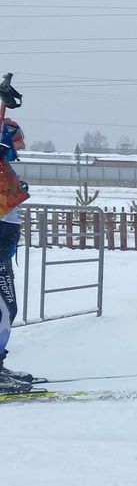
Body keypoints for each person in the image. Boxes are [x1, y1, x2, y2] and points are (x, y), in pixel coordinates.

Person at [0, 117, 33, 392]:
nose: (18, 148)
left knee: (8, 309)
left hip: (4, 249)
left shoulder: (4, 166)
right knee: (3, 310)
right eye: (16, 141)